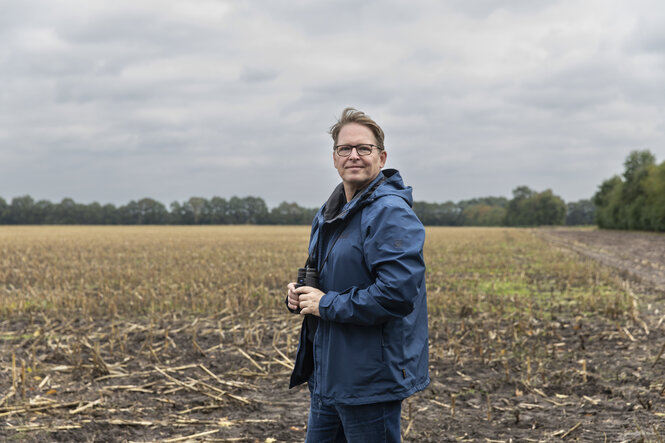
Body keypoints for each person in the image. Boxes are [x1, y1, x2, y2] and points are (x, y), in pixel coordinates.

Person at [286, 107, 429, 442]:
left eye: (363, 148)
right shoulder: (330, 211)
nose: (354, 156)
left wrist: (325, 305)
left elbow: (396, 295)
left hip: (369, 379)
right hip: (328, 373)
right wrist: (301, 296)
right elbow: (325, 277)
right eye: (344, 149)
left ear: (381, 157)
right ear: (334, 158)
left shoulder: (390, 213)